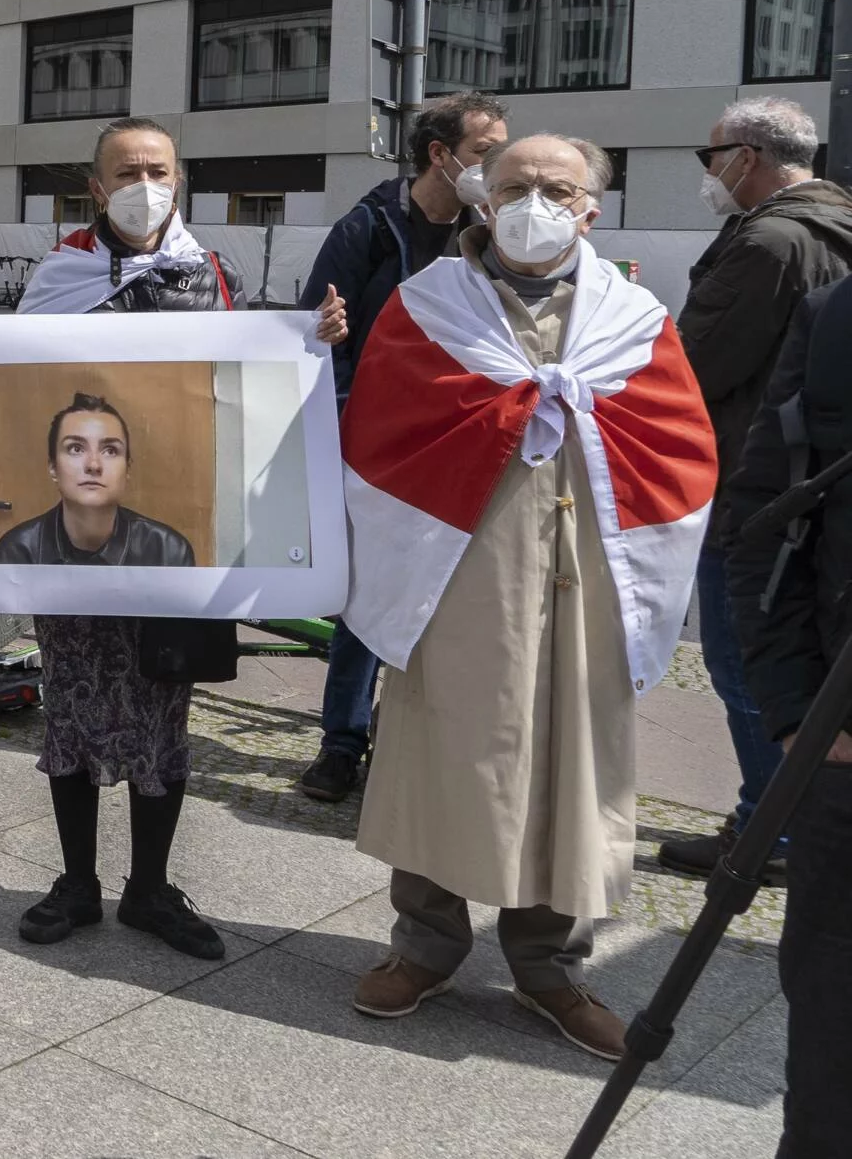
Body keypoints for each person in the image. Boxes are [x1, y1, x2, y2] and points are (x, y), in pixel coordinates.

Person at [0, 117, 346, 965]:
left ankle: (152, 887)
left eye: (159, 169)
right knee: (72, 713)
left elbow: (246, 385)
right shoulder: (61, 272)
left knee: (163, 716)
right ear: (96, 188)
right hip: (71, 556)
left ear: (182, 179)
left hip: (172, 551)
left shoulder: (214, 273)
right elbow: (5, 381)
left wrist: (316, 343)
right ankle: (76, 882)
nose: (146, 183)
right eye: (127, 170)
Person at [340, 135, 716, 1061]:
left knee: (571, 762)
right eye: (515, 185)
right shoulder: (427, 306)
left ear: (592, 207)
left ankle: (550, 966)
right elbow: (376, 437)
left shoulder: (634, 318)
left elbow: (681, 447)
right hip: (457, 570)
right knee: (442, 746)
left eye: (556, 188)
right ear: (481, 196)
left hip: (583, 572)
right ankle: (424, 945)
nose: (533, 201)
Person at [291, 92, 509, 803]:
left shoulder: (493, 230)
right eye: (485, 151)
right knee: (366, 594)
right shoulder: (370, 225)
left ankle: (407, 734)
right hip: (375, 440)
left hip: (459, 441)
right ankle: (341, 743)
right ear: (440, 155)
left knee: (443, 595)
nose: (496, 165)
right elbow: (315, 328)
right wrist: (340, 365)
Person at [658, 97, 852, 880]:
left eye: (713, 158)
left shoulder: (767, 241)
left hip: (750, 480)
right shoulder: (834, 223)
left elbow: (689, 369)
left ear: (750, 155)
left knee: (746, 663)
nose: (709, 174)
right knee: (798, 655)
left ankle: (769, 827)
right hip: (814, 487)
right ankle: (787, 820)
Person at [725, 279, 852, 1152]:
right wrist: (801, 715)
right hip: (842, 756)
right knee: (832, 1036)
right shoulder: (838, 315)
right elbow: (764, 520)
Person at [0, 394, 198, 564]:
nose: (93, 465)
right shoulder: (16, 552)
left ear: (127, 469)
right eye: (76, 449)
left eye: (110, 450)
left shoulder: (167, 552)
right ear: (53, 467)